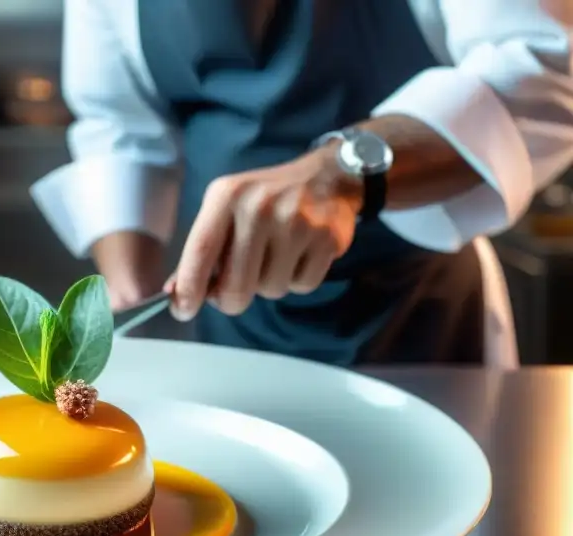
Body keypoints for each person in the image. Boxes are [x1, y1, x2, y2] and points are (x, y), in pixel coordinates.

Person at [31, 0, 573, 366]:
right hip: (227, 329)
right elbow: (119, 124)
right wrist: (129, 297)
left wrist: (340, 171)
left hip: (416, 322)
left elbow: (547, 66)